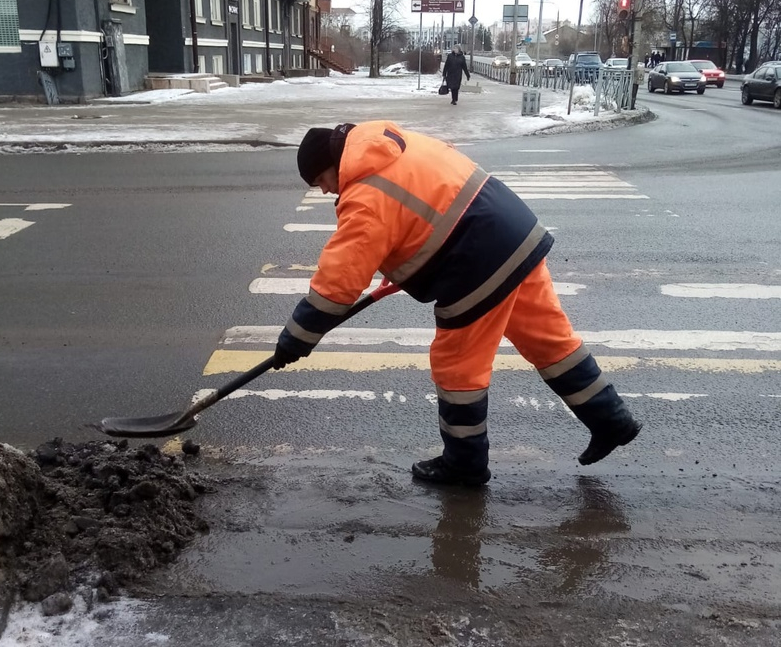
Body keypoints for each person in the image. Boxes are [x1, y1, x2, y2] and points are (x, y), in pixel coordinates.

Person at [273, 121, 642, 487]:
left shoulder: (366, 191)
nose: (324, 191)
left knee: (457, 368)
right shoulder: (395, 144)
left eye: (321, 180)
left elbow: (339, 280)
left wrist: (297, 336)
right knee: (549, 340)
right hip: (515, 234)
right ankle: (612, 421)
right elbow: (426, 210)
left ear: (334, 163)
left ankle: (464, 465)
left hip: (476, 260)